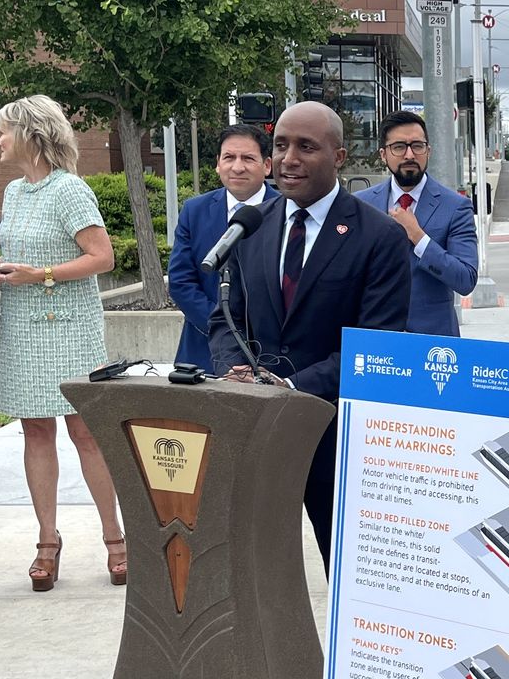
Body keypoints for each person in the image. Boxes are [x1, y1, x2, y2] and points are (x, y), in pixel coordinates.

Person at [208, 101, 411, 568]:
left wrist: (294, 387)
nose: (288, 159)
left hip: (335, 436)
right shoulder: (250, 227)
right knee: (254, 569)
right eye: (279, 146)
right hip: (256, 428)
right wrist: (230, 370)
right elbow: (226, 318)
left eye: (306, 147)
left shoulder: (378, 237)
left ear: (339, 157)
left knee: (346, 569)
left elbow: (377, 344)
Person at [0, 94, 124, 592]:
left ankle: (115, 539)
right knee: (35, 432)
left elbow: (101, 258)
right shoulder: (15, 192)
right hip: (22, 326)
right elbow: (23, 261)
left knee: (85, 433)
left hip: (69, 328)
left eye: (4, 131)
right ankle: (47, 540)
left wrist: (38, 274)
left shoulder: (70, 190)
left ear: (31, 136)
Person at [353, 110, 477, 335]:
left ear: (428, 151)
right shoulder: (362, 204)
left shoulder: (456, 207)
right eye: (399, 147)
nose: (409, 154)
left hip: (433, 344)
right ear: (383, 154)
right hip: (375, 339)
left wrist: (419, 237)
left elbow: (465, 279)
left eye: (417, 146)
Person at [168, 123, 276, 368]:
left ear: (267, 165)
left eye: (248, 158)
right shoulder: (194, 211)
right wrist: (224, 332)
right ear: (218, 163)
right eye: (229, 157)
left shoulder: (287, 212)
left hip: (268, 354)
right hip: (202, 353)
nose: (237, 166)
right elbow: (181, 282)